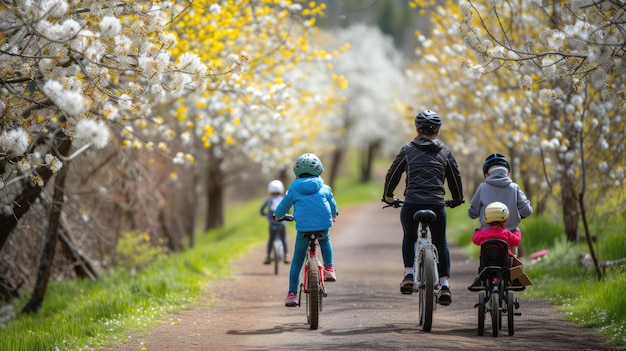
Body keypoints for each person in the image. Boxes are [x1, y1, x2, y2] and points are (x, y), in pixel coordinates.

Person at [383, 109, 464, 306]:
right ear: (438, 130)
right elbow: (454, 177)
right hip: (436, 204)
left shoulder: (408, 149)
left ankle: (409, 274)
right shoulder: (445, 151)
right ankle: (444, 285)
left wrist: (388, 195)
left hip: (411, 203)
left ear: (417, 129)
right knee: (440, 240)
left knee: (409, 236)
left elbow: (393, 173)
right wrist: (457, 198)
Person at [273, 153, 339, 307]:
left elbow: (282, 207)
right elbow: (333, 206)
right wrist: (334, 215)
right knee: (325, 240)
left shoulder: (293, 189)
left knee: (297, 260)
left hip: (303, 229)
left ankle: (292, 294)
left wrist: (277, 216)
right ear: (319, 169)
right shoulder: (325, 188)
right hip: (323, 226)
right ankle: (329, 268)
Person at [467, 153, 532, 256]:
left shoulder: (482, 188)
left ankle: (484, 271)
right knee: (513, 266)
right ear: (508, 174)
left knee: (485, 261)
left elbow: (472, 213)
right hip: (510, 236)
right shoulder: (514, 188)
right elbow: (527, 211)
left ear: (487, 175)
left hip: (487, 236)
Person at [260, 179, 290, 264]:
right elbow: (288, 210)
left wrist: (265, 214)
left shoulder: (268, 200)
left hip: (272, 224)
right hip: (282, 224)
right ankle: (286, 256)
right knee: (284, 239)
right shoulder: (283, 199)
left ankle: (268, 256)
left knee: (271, 239)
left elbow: (261, 210)